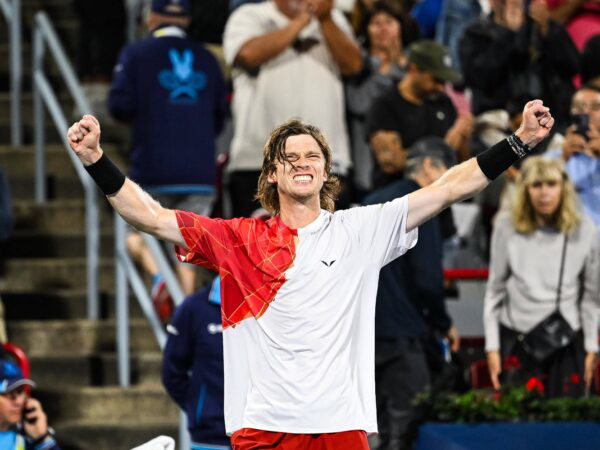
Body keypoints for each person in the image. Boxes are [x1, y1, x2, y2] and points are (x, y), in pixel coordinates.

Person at [67, 98, 554, 449]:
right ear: (272, 175)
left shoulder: (361, 229)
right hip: (262, 427)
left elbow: (447, 188)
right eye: (290, 158)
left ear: (326, 174)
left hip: (340, 425)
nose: (302, 163)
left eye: (312, 157)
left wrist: (518, 142)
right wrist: (94, 158)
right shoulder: (237, 239)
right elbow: (150, 216)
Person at [107, 0, 227, 304]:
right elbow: (221, 116)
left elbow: (119, 107)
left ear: (152, 18)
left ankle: (158, 274)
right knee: (188, 241)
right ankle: (184, 306)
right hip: (199, 172)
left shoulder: (135, 53)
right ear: (187, 19)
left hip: (152, 167)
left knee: (131, 232)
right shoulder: (208, 60)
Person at [223, 0, 363, 216]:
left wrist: (324, 19)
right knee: (260, 247)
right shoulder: (251, 15)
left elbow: (353, 64)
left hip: (325, 163)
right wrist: (301, 21)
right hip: (258, 161)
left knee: (327, 246)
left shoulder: (333, 20)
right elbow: (248, 55)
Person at [363, 137, 460, 450]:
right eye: (451, 171)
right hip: (404, 337)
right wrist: (444, 323)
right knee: (408, 428)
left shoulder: (373, 199)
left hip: (364, 333)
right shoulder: (424, 202)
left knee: (369, 428)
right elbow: (428, 279)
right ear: (431, 166)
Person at [484, 156, 600, 398]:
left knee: (568, 425)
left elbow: (591, 297)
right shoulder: (506, 227)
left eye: (551, 184)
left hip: (567, 340)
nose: (544, 193)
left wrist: (591, 346)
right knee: (517, 426)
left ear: (563, 188)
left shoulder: (586, 230)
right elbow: (495, 290)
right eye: (536, 185)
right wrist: (492, 346)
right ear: (525, 190)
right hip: (516, 336)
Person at [365, 39, 473, 190]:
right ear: (413, 70)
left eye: (444, 81)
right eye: (436, 79)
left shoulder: (443, 102)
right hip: (396, 198)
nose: (441, 87)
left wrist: (463, 135)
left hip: (438, 193)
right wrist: (443, 148)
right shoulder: (385, 105)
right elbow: (391, 163)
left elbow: (463, 160)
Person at [459, 0, 580, 129]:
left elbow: (573, 66)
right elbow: (480, 78)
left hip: (547, 119)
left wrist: (548, 29)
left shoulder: (540, 26)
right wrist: (508, 33)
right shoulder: (475, 34)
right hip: (497, 121)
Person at [346, 0, 419, 196]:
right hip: (367, 167)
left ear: (401, 27)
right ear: (367, 30)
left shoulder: (414, 65)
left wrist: (399, 67)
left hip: (408, 164)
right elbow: (358, 103)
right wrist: (389, 72)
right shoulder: (358, 63)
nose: (382, 28)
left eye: (389, 22)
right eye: (376, 23)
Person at [162, 276, 230, 449]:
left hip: (262, 433)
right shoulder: (194, 308)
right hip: (210, 437)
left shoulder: (270, 304)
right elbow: (172, 371)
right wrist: (200, 409)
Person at [545, 85, 600, 230]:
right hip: (569, 242)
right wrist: (562, 159)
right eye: (579, 106)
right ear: (571, 112)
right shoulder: (551, 160)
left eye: (595, 107)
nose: (586, 111)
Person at [0, 359, 60, 449]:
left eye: (20, 392)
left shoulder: (27, 435)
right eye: (9, 394)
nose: (19, 402)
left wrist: (42, 439)